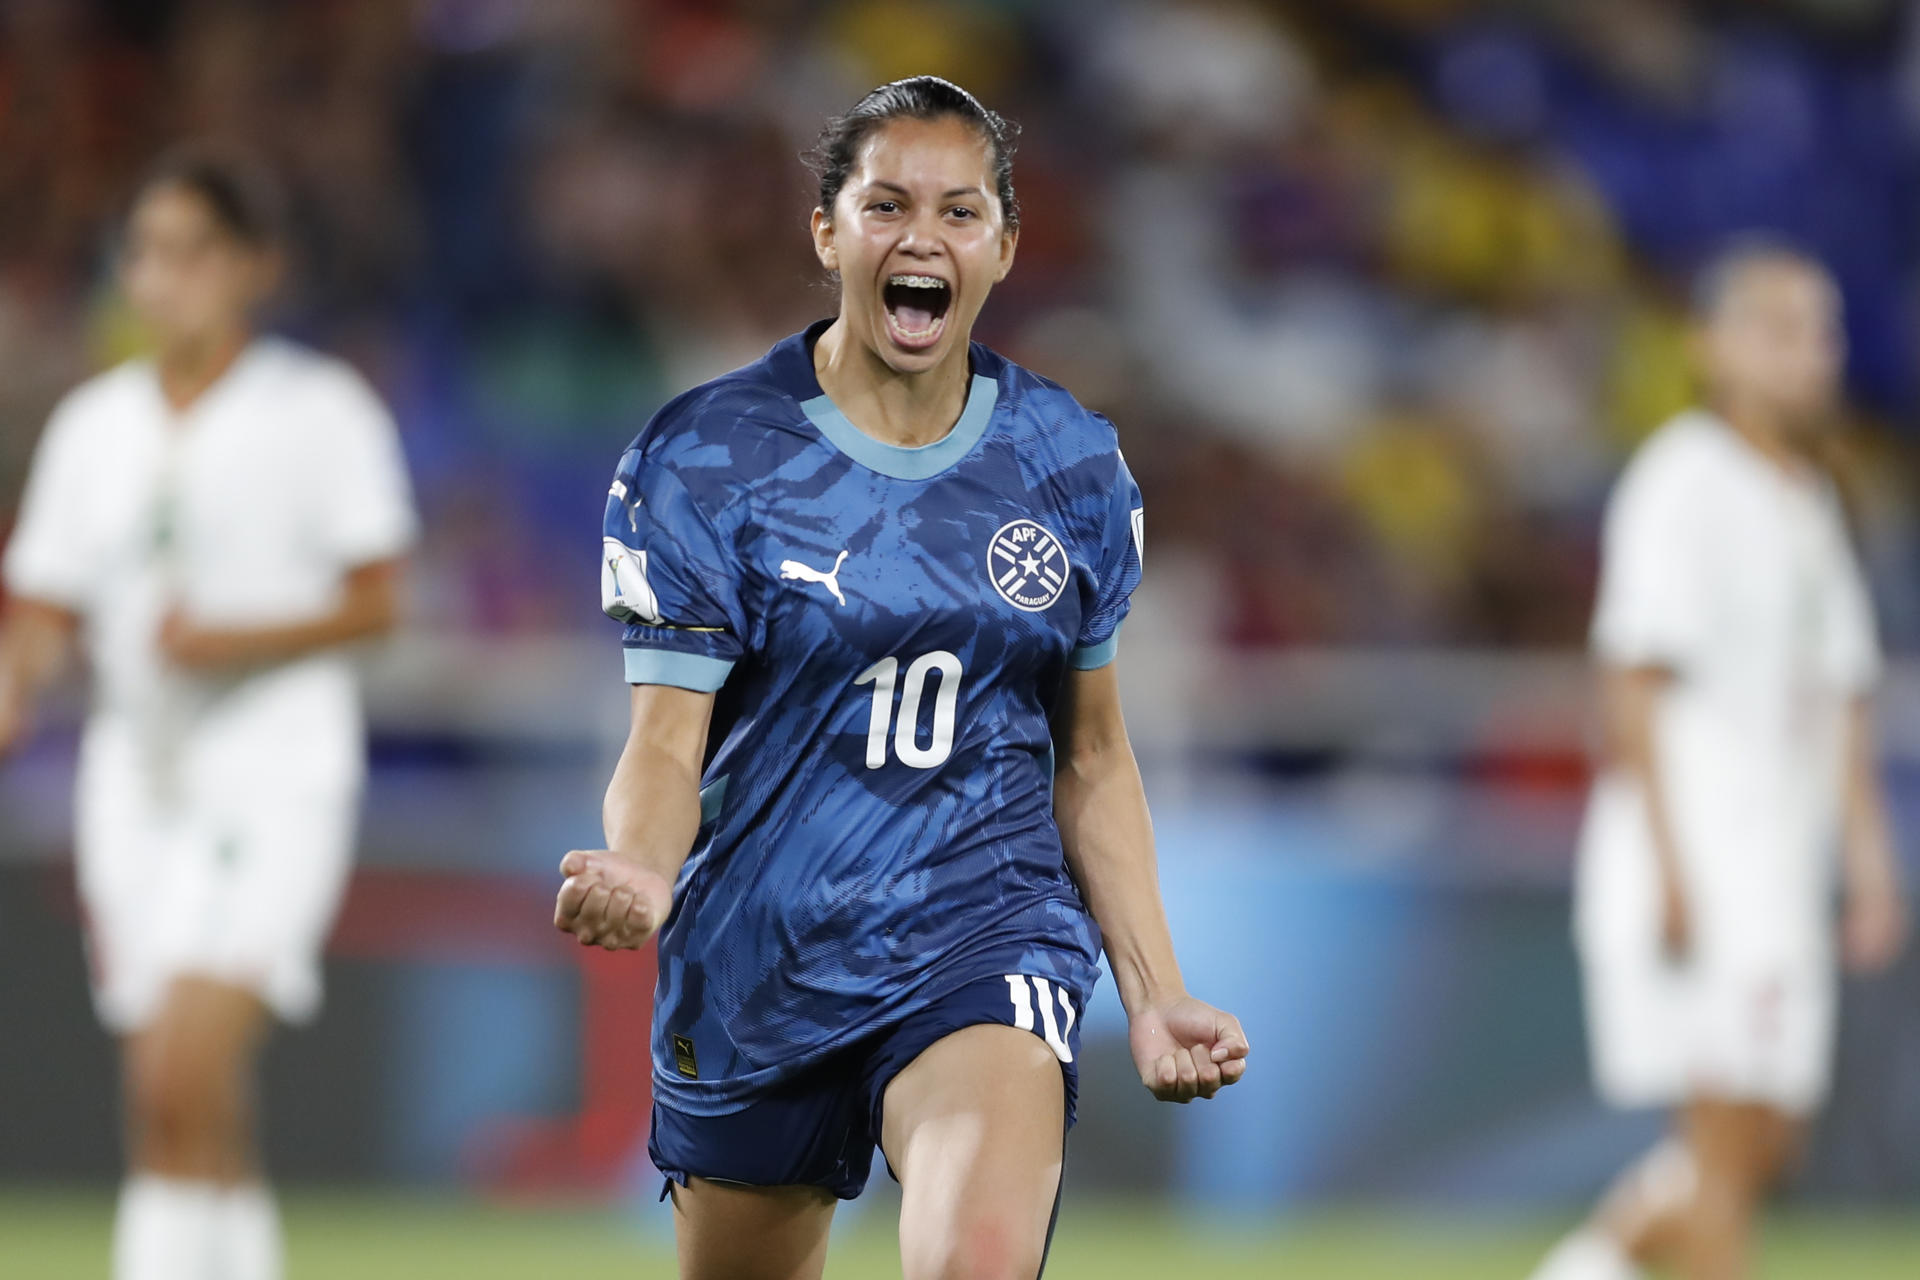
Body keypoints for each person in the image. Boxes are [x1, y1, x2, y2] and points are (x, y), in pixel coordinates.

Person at [553, 76, 1250, 1280]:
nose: (921, 236)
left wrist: (1154, 988)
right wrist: (643, 866)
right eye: (886, 205)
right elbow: (667, 744)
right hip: (761, 948)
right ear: (827, 231)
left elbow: (1090, 755)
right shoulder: (709, 456)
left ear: (1005, 245)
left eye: (959, 211)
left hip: (984, 924)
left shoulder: (1068, 463)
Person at [0, 145, 417, 1280]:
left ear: (254, 267)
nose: (160, 278)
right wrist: (16, 680)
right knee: (185, 1101)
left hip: (271, 769)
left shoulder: (317, 410)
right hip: (133, 777)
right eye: (142, 252)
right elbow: (40, 598)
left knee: (174, 1069)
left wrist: (233, 637)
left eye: (190, 252)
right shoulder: (96, 425)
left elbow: (379, 601)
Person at [1529, 242, 1908, 1280]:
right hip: (1700, 849)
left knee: (1761, 1137)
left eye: (1822, 331)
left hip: (1780, 864)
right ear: (1711, 345)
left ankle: (1587, 1266)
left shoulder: (1810, 496)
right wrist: (1672, 864)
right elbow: (1632, 680)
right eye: (1780, 330)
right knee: (1726, 1138)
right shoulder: (1681, 480)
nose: (1811, 356)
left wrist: (1869, 864)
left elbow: (1840, 694)